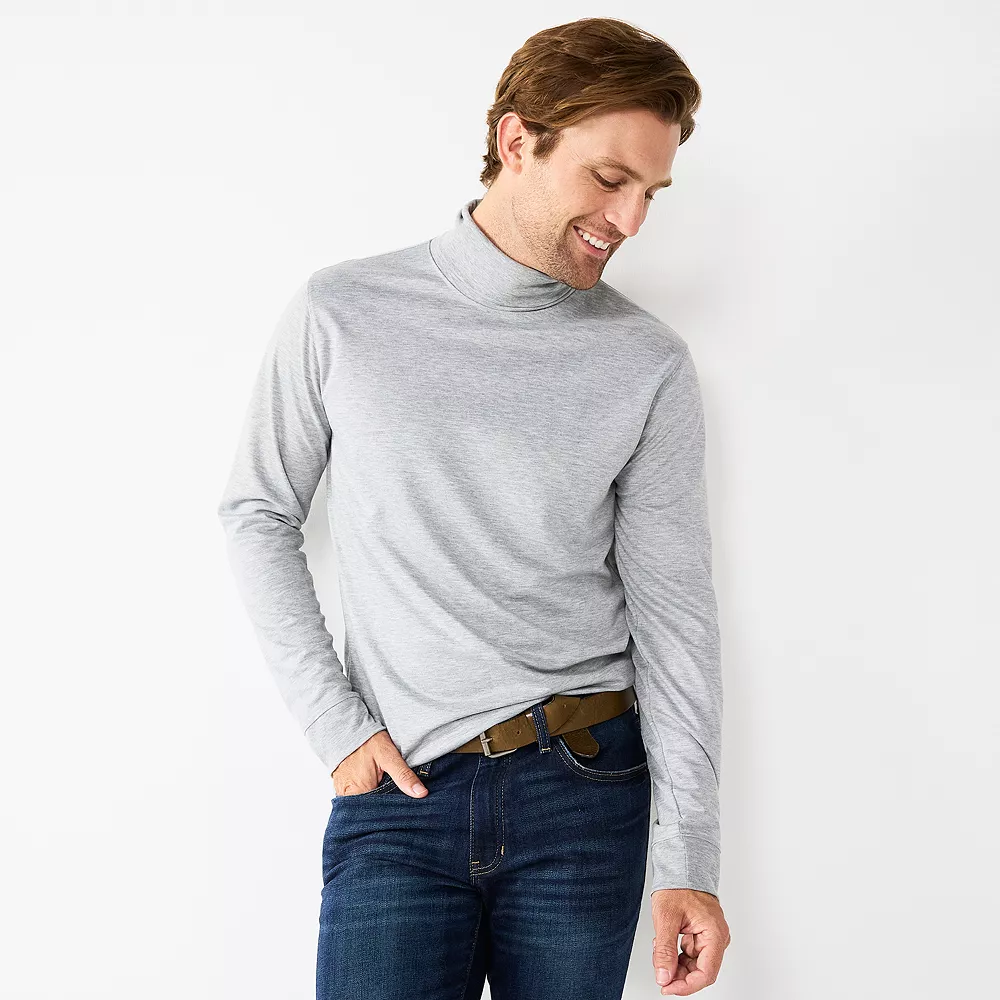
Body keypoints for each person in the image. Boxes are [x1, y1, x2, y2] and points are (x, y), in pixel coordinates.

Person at [217, 15, 731, 999]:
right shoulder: (343, 311)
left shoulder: (647, 363)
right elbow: (256, 511)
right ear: (516, 140)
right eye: (609, 178)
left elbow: (675, 618)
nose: (629, 221)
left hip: (586, 794)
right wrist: (337, 728)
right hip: (398, 794)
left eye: (650, 193)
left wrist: (689, 860)